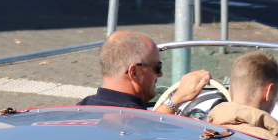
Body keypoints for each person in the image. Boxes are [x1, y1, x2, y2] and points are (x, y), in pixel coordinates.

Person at [77, 30, 212, 114]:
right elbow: (141, 126)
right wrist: (176, 100)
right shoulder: (131, 120)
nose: (160, 74)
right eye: (157, 68)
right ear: (134, 72)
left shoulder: (80, 108)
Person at [207, 50, 278, 140]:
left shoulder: (204, 130)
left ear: (230, 91)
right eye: (277, 97)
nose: (277, 100)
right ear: (268, 92)